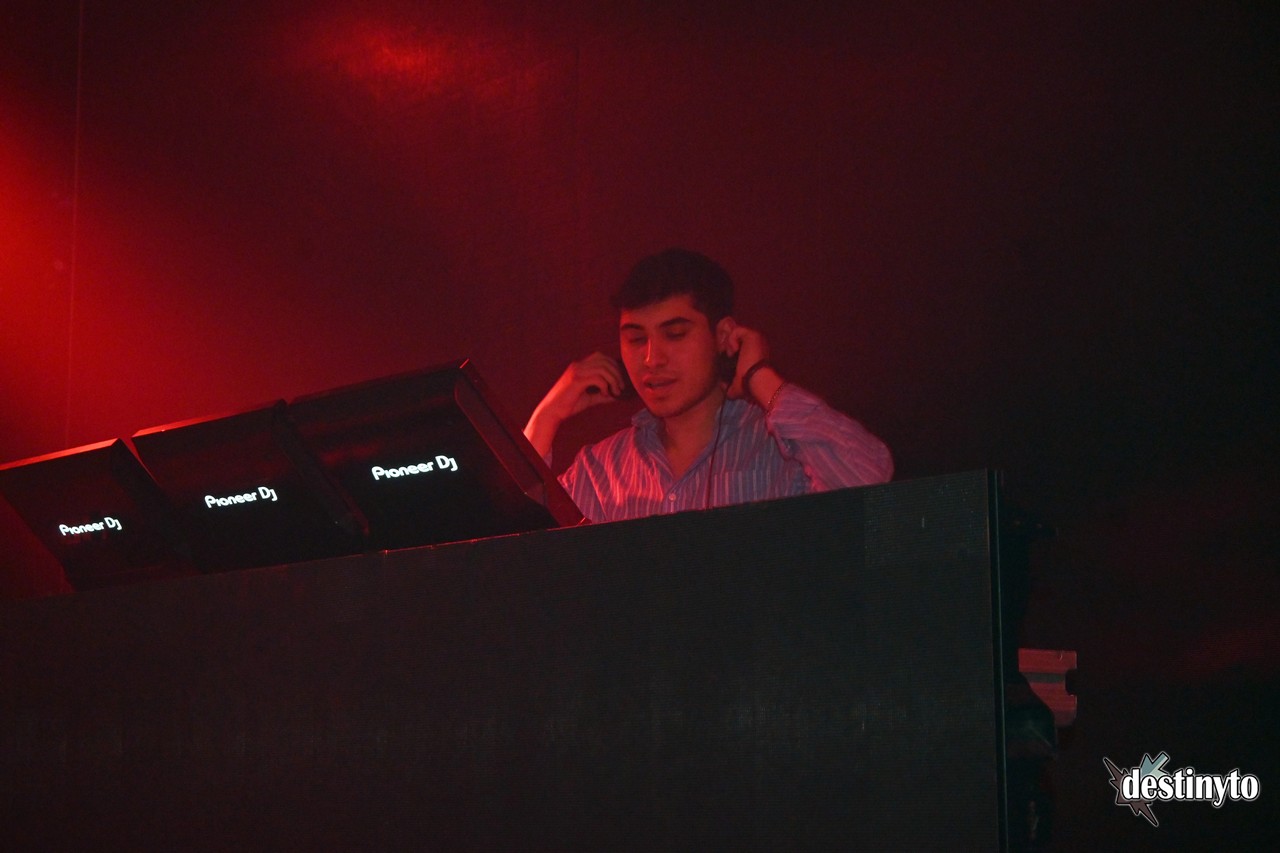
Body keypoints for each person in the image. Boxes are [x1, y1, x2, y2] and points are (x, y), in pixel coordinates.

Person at [523, 248, 893, 523]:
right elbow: (514, 539)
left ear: (723, 335)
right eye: (635, 339)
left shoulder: (781, 449)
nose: (652, 359)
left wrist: (760, 376)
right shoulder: (599, 471)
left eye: (675, 334)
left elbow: (871, 481)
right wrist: (546, 417)